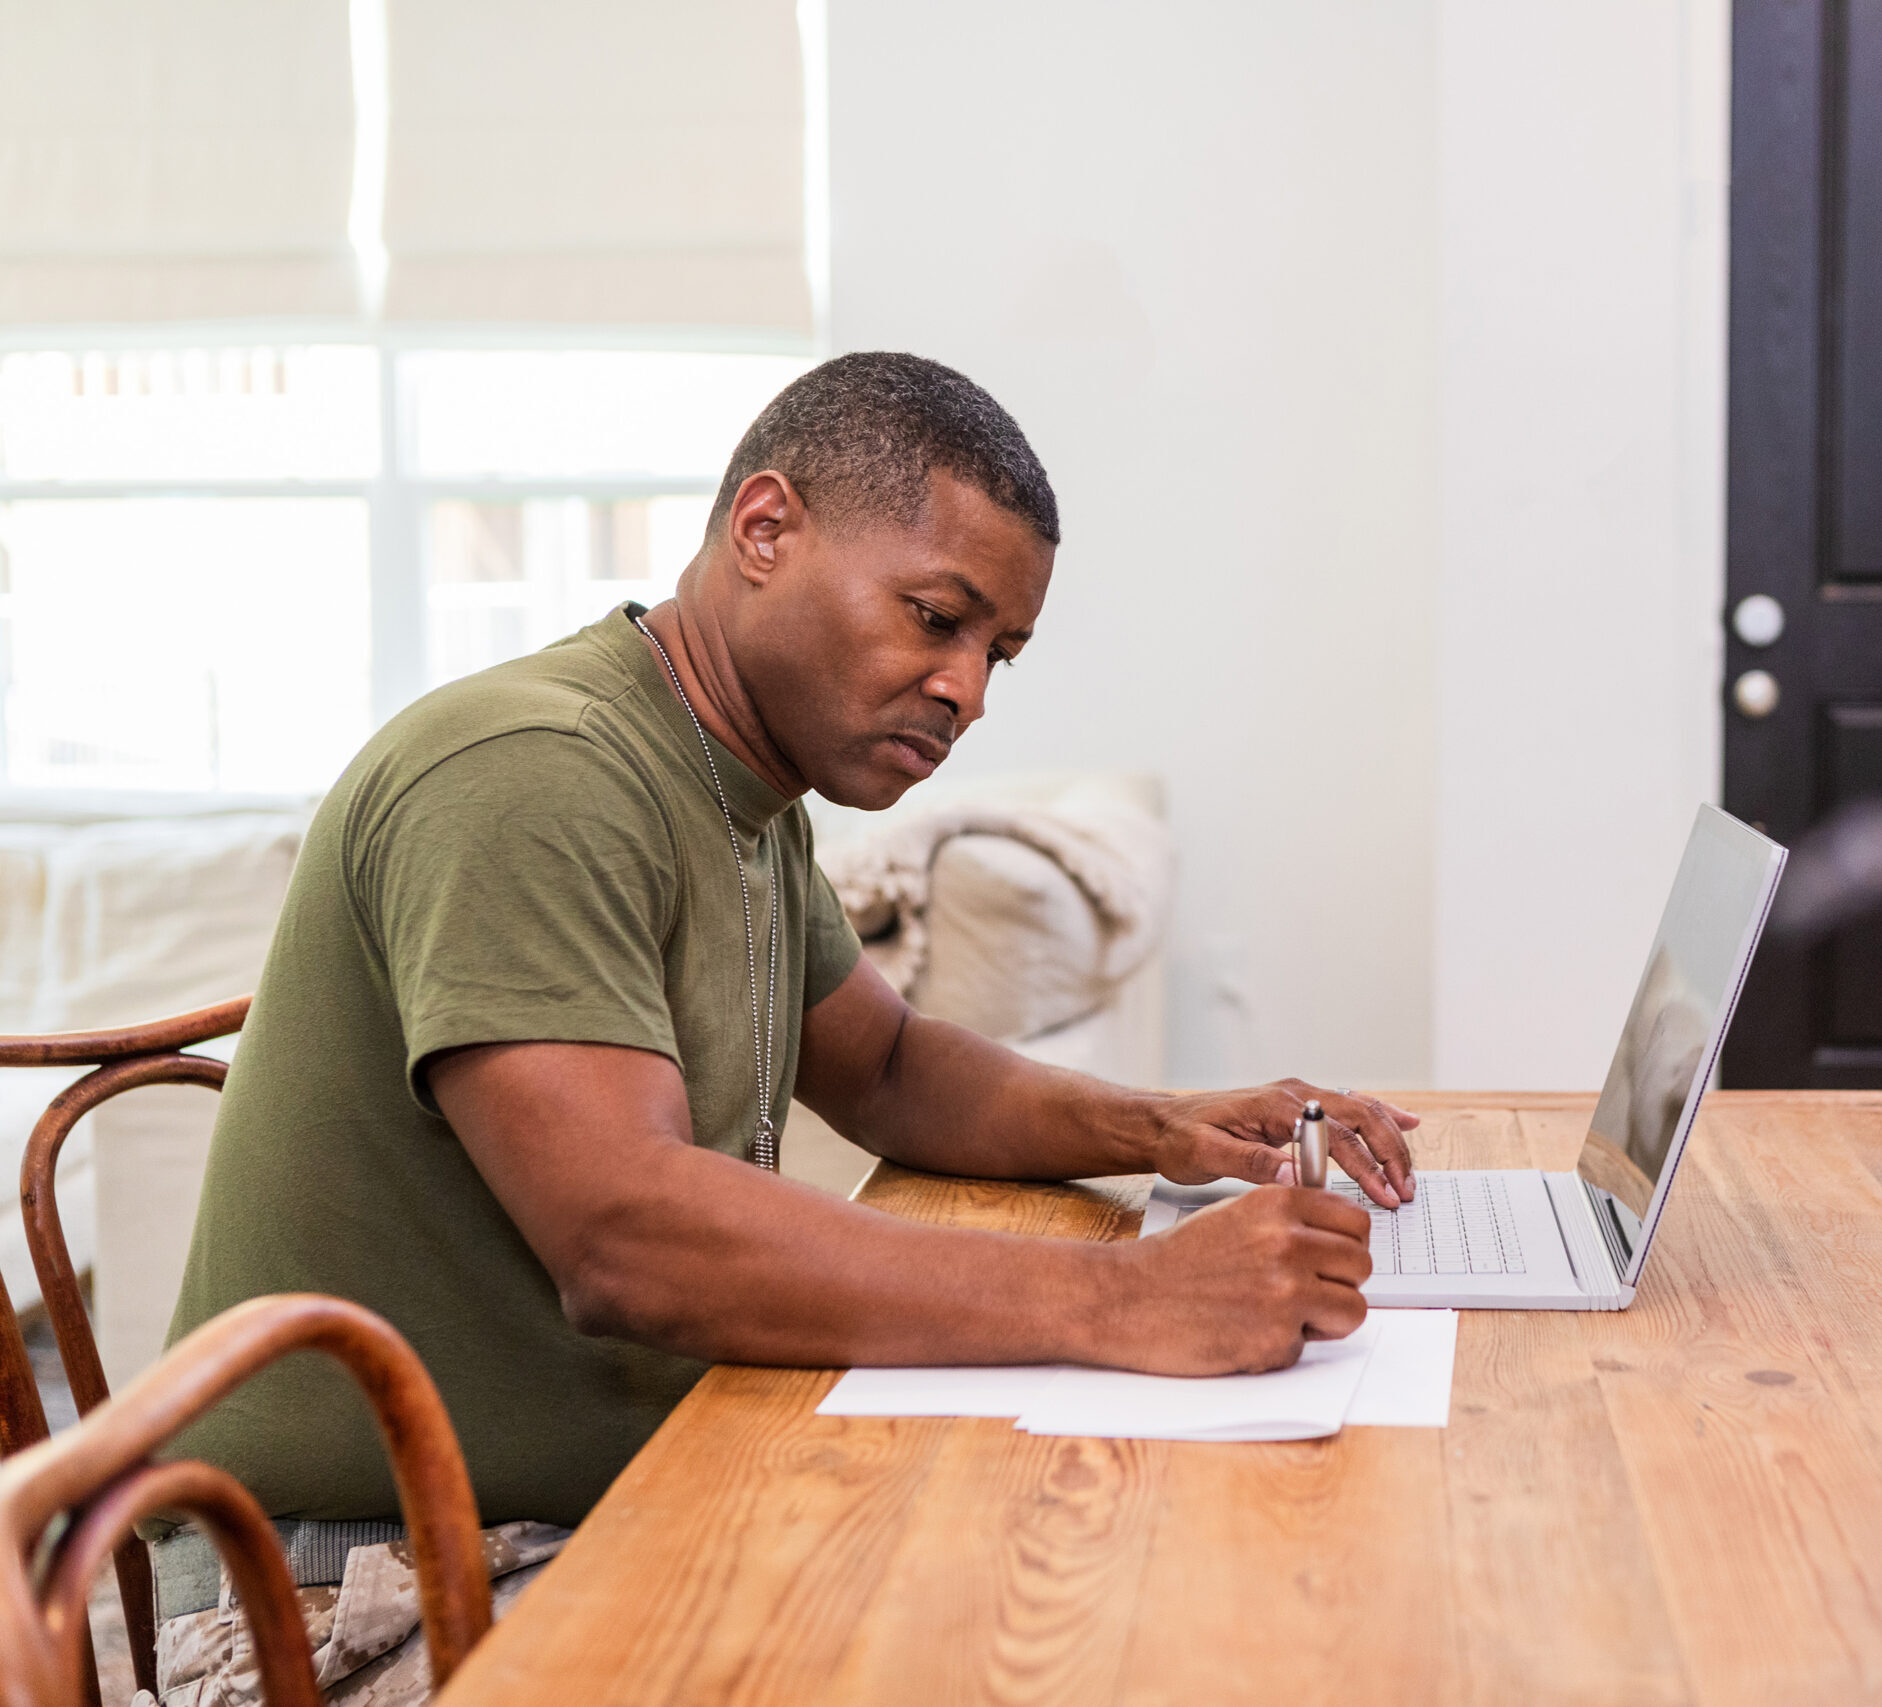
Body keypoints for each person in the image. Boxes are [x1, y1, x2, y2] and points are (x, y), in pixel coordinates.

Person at [143, 352, 1416, 1706]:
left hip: (590, 1502)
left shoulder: (740, 787)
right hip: (342, 1587)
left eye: (998, 652)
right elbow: (628, 1238)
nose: (967, 689)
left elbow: (886, 1065)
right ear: (765, 529)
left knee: (1093, 1584)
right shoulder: (531, 774)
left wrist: (1162, 1125)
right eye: (935, 616)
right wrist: (1129, 1298)